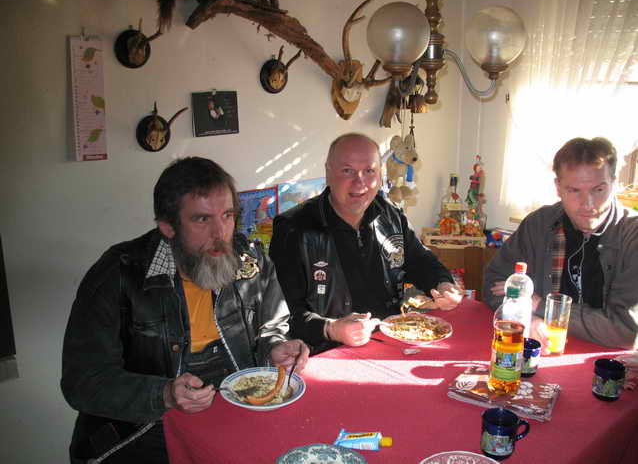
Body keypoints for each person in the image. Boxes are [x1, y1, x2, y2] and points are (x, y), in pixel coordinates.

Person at [61, 157, 309, 463]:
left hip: (235, 407)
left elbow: (272, 327)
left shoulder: (249, 259)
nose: (221, 233)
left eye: (228, 215)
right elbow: (82, 382)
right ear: (168, 226)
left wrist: (275, 348)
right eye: (202, 219)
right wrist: (164, 394)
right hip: (146, 427)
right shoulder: (118, 274)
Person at [269, 133, 463, 354]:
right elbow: (282, 315)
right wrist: (331, 329)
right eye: (347, 170)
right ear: (328, 172)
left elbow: (420, 260)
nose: (360, 182)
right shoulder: (293, 229)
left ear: (379, 175)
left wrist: (442, 284)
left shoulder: (390, 213)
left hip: (391, 341)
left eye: (369, 171)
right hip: (327, 352)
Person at [484, 137, 638, 351]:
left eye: (598, 190)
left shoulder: (633, 236)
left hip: (606, 359)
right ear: (558, 187)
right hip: (542, 350)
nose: (588, 204)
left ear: (614, 182)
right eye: (574, 190)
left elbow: (627, 331)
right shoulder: (538, 223)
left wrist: (540, 305)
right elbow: (495, 283)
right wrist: (526, 318)